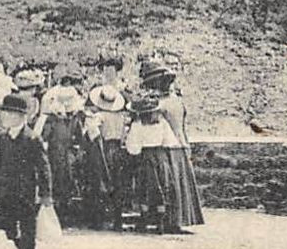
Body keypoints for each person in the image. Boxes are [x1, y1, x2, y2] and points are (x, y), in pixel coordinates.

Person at [0, 93, 52, 249]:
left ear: (20, 117)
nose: (4, 117)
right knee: (7, 227)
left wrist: (46, 193)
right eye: (4, 114)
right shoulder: (2, 138)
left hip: (26, 192)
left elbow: (44, 167)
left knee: (28, 230)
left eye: (8, 114)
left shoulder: (32, 138)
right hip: (6, 190)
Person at [139, 59, 205, 229]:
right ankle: (180, 220)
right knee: (181, 184)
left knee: (170, 184)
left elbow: (153, 125)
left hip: (168, 147)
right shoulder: (177, 100)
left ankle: (170, 220)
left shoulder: (159, 104)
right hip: (182, 144)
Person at [125, 96, 181, 233]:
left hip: (146, 156)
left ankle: (144, 222)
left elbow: (133, 148)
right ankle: (160, 224)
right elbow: (170, 142)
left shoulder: (137, 126)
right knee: (161, 187)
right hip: (160, 156)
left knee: (145, 189)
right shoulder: (162, 124)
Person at [79, 84, 129, 230]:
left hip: (103, 149)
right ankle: (117, 220)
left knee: (99, 182)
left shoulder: (98, 116)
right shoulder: (120, 116)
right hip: (117, 149)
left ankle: (98, 220)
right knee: (117, 183)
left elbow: (92, 132)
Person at [40, 76, 86, 229]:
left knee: (69, 181)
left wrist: (78, 150)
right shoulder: (51, 120)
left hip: (68, 154)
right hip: (55, 154)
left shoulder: (74, 119)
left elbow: (80, 137)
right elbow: (44, 137)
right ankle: (58, 214)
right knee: (56, 181)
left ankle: (66, 213)